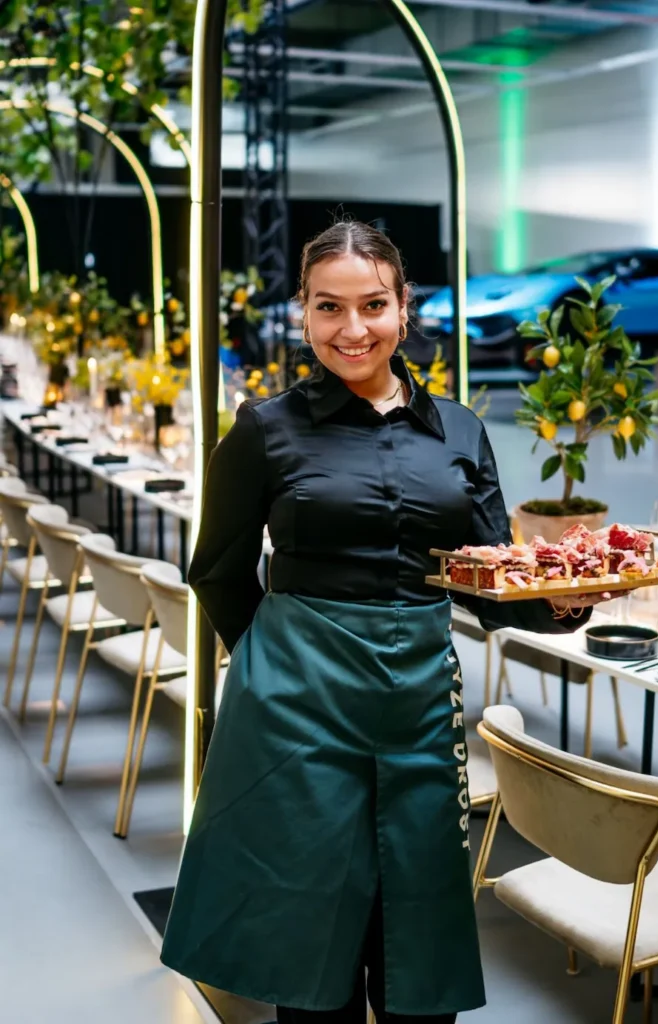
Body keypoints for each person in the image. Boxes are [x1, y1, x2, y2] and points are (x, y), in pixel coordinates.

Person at [160, 221, 608, 1022]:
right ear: (303, 313)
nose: (352, 329)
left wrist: (562, 604)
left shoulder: (461, 431)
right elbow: (217, 571)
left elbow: (486, 576)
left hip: (417, 713)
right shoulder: (265, 429)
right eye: (328, 307)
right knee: (309, 959)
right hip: (295, 717)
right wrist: (271, 667)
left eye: (373, 305)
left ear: (405, 309)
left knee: (417, 954)